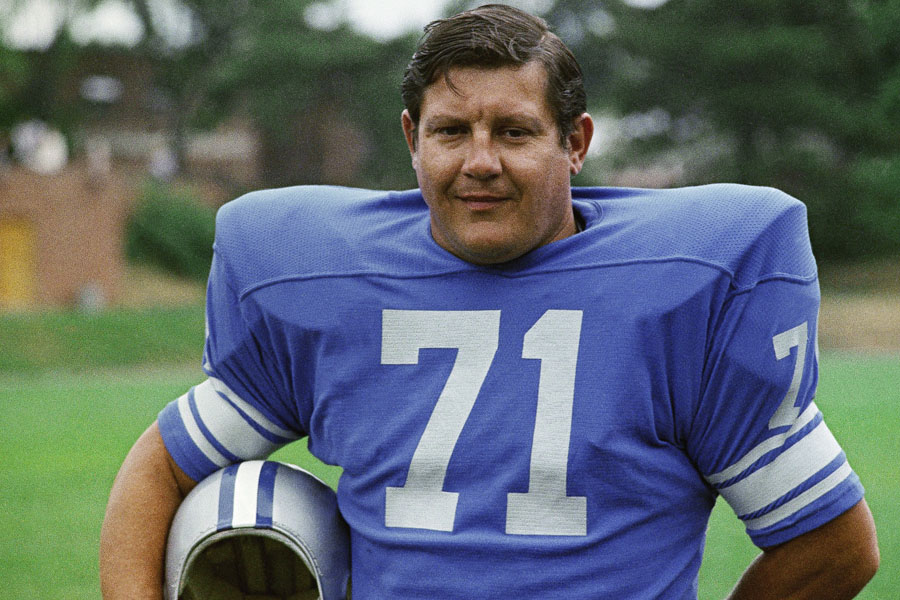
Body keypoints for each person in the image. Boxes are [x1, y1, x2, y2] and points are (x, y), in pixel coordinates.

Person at [100, 4, 879, 598]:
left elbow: (835, 543)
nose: (480, 162)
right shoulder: (327, 286)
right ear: (412, 140)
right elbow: (159, 469)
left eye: (513, 132)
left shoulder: (683, 285)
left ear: (575, 143)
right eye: (451, 132)